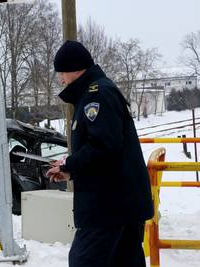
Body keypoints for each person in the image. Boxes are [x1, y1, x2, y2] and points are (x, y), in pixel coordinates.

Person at [46, 40, 153, 267]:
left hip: (108, 206)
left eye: (62, 73)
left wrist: (70, 165)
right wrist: (71, 171)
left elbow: (105, 147)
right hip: (120, 202)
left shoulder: (96, 95)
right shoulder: (96, 92)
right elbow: (106, 154)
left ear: (75, 69)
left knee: (84, 261)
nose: (60, 79)